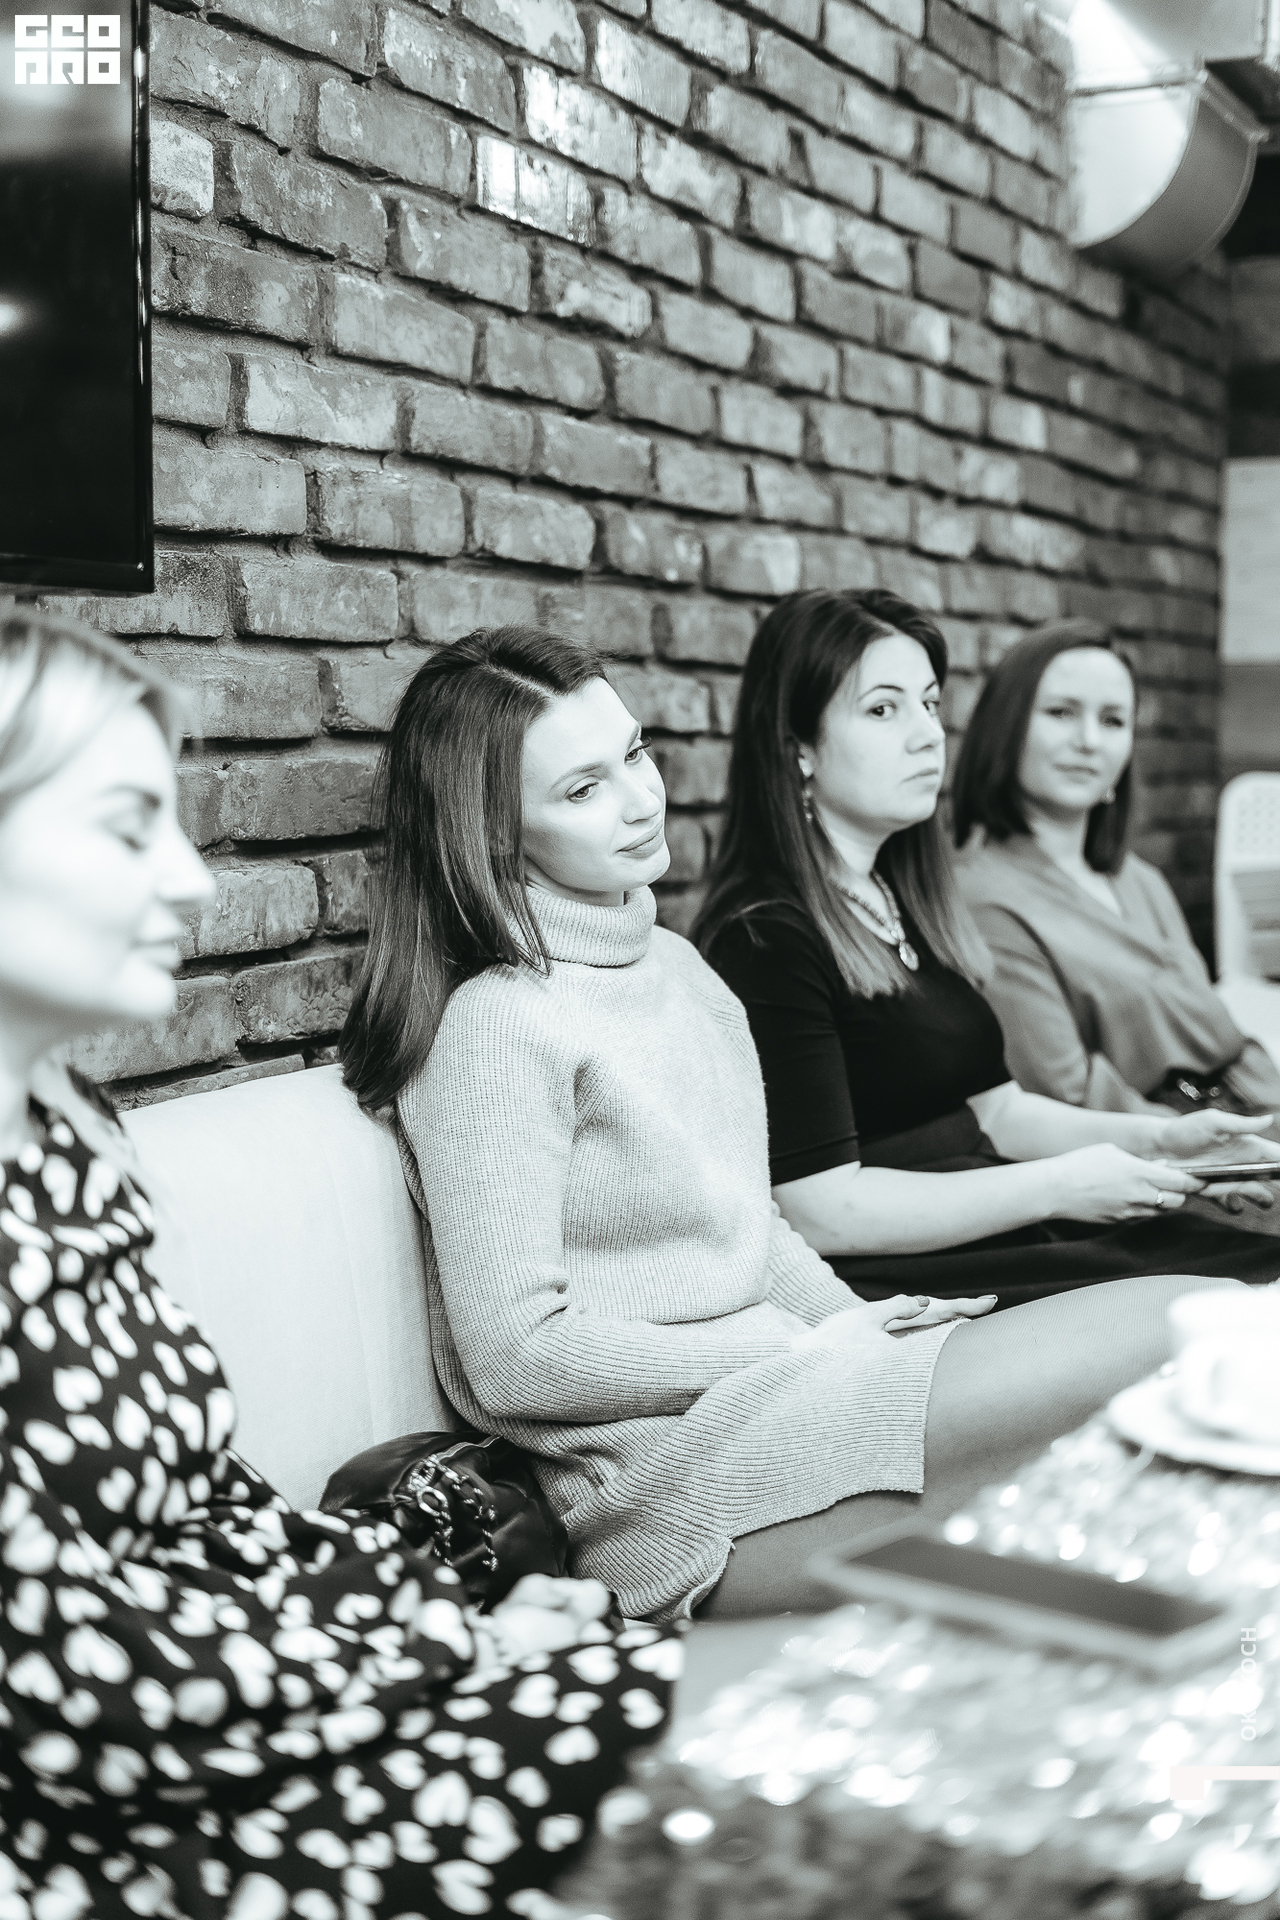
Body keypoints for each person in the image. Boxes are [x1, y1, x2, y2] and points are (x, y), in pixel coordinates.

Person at [345, 622, 1239, 1628]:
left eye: (634, 754)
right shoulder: (495, 1025)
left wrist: (855, 1328)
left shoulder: (679, 968)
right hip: (664, 1479)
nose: (641, 800)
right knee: (1188, 1329)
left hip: (781, 1389)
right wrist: (788, 1349)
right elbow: (513, 1358)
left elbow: (752, 1230)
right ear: (493, 833)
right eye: (583, 789)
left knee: (1207, 1360)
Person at [0, 611, 683, 1920]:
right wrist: (431, 1652)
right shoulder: (499, 1026)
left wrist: (443, 1617)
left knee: (728, 1725)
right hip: (120, 1826)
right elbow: (59, 1675)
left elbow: (212, 1512)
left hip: (245, 1712)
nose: (189, 883)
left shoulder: (67, 1130)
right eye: (123, 828)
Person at [693, 589, 1280, 1308]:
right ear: (798, 748)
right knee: (1240, 1296)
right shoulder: (764, 936)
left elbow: (1000, 1112)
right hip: (909, 1280)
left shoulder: (901, 900)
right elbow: (820, 1211)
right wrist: (1060, 1185)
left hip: (1000, 1224)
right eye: (883, 710)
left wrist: (1160, 1143)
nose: (927, 736)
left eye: (929, 705)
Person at [952, 619, 1280, 1124]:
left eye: (1112, 721)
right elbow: (1067, 1095)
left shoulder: (1139, 880)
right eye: (1061, 713)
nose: (1089, 741)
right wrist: (1224, 1145)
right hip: (1157, 1148)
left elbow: (1226, 1040)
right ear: (1006, 727)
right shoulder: (982, 899)